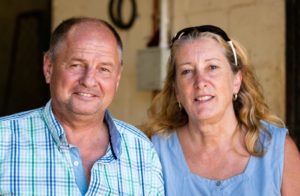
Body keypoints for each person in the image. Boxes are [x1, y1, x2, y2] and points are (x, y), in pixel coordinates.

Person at [0, 17, 164, 195]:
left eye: (104, 69)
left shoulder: (142, 151)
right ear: (48, 67)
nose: (88, 81)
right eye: (76, 65)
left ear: (117, 78)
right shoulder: (4, 140)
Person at [144, 25, 300, 195]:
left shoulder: (279, 151)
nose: (200, 82)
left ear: (236, 81)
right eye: (187, 71)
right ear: (177, 91)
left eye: (212, 67)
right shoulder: (154, 153)